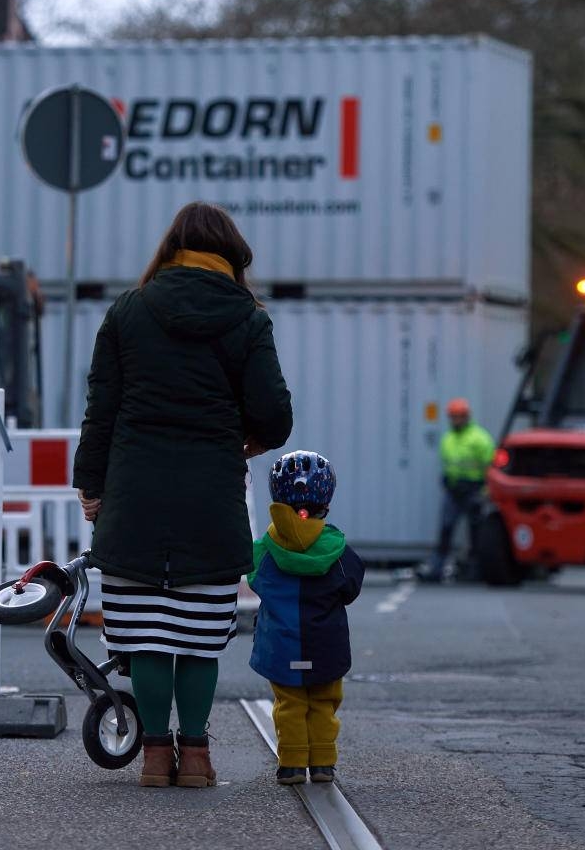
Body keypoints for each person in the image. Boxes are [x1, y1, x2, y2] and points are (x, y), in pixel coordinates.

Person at [72, 201, 293, 788]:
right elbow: (275, 413)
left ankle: (151, 756)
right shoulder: (247, 318)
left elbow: (102, 410)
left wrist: (92, 487)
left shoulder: (129, 311)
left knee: (146, 636)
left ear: (170, 249)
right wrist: (241, 441)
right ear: (231, 256)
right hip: (210, 498)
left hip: (134, 496)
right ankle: (195, 757)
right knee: (197, 639)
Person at [248, 450, 365, 785]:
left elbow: (255, 579)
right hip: (326, 646)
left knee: (289, 704)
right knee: (324, 702)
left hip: (281, 646)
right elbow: (351, 588)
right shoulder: (338, 549)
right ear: (326, 500)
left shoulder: (264, 548)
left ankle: (293, 764)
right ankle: (324, 763)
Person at [420, 397, 495, 583]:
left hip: (474, 491)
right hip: (453, 491)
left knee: (476, 532)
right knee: (445, 530)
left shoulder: (480, 438)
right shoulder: (448, 439)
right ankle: (437, 568)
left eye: (459, 417)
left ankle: (476, 570)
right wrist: (446, 480)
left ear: (467, 416)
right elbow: (449, 464)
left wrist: (484, 492)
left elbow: (491, 468)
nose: (456, 420)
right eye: (453, 417)